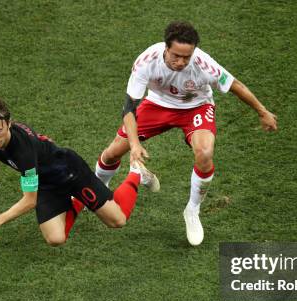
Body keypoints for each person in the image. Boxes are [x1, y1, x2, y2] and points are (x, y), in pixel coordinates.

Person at [94, 21, 278, 246]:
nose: (181, 62)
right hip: (157, 105)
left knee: (205, 153)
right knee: (113, 152)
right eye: (176, 56)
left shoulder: (204, 64)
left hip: (196, 107)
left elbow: (235, 86)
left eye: (186, 57)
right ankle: (96, 188)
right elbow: (129, 108)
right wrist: (134, 145)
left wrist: (262, 111)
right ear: (166, 48)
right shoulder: (146, 61)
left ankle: (192, 210)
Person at [0, 95, 159, 246]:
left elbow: (29, 200)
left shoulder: (23, 151)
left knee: (117, 221)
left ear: (9, 123)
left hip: (70, 172)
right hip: (45, 182)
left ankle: (136, 172)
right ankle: (75, 201)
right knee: (55, 239)